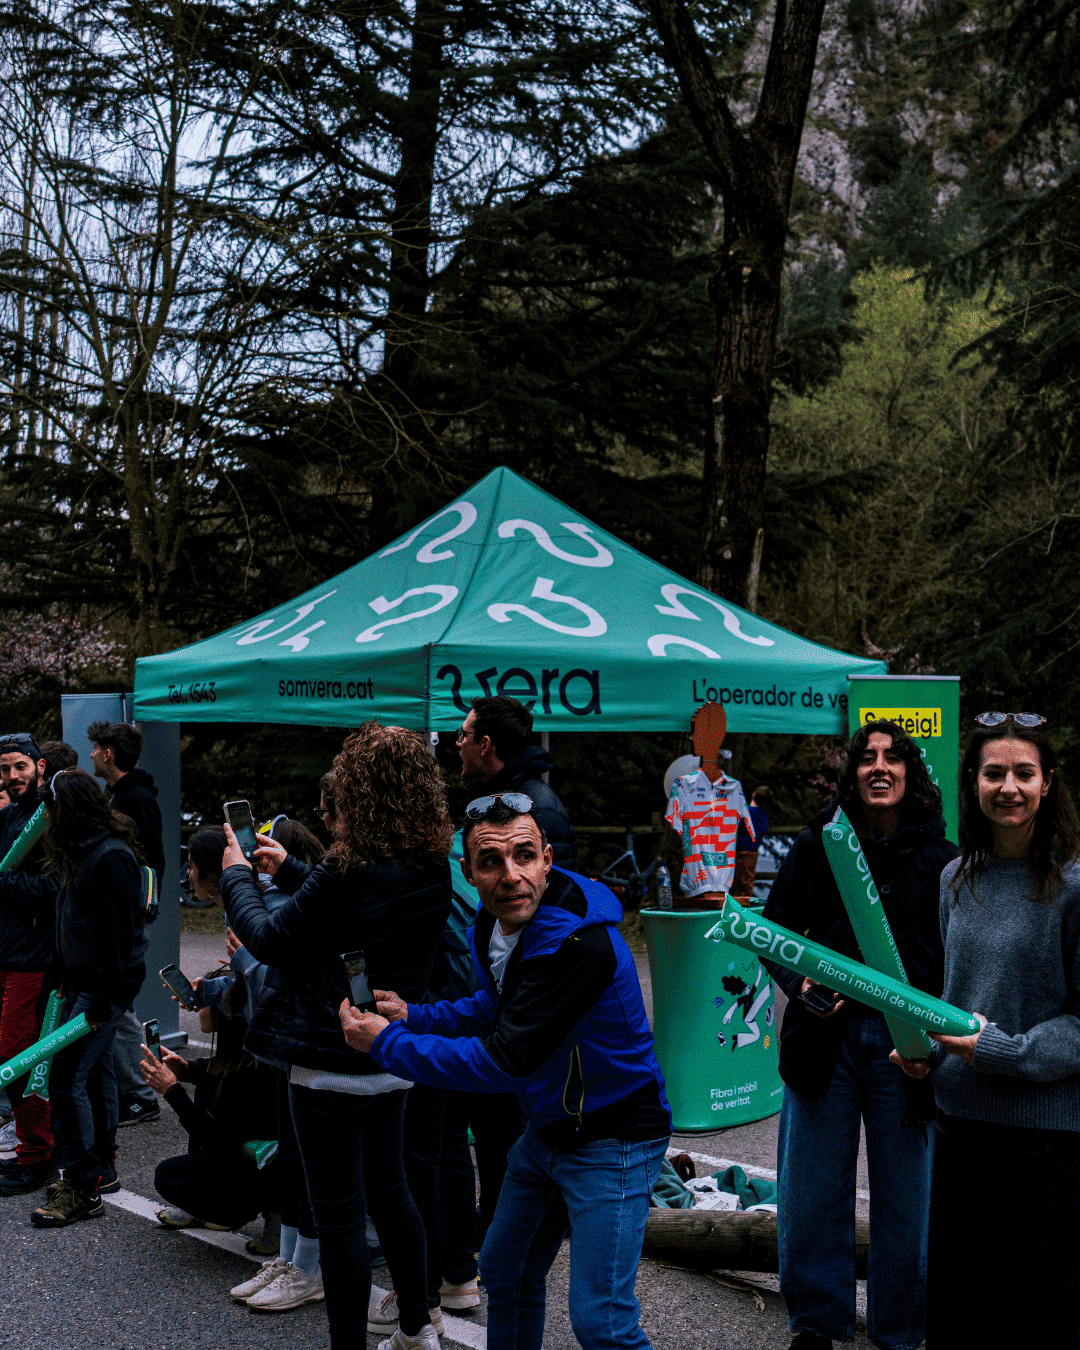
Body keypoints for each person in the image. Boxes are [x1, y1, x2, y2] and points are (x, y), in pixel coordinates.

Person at [341, 793, 671, 1350]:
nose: (511, 875)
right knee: (504, 1269)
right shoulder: (496, 927)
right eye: (491, 862)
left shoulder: (577, 944)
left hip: (613, 1138)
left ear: (547, 859)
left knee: (603, 1322)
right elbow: (497, 1007)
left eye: (524, 855)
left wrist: (388, 1044)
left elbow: (503, 1060)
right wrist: (415, 1015)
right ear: (469, 874)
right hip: (550, 1131)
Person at [219, 724, 453, 1350]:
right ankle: (417, 1328)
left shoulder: (348, 869)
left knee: (341, 1216)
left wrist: (237, 875)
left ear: (358, 791)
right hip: (391, 1050)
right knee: (393, 1192)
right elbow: (357, 912)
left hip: (328, 1060)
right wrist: (293, 868)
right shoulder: (430, 864)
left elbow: (270, 938)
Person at [762, 720, 957, 1350]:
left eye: (892, 757)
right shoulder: (820, 844)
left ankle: (901, 1331)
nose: (879, 767)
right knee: (813, 1196)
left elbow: (958, 961)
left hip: (909, 1050)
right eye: (867, 757)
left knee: (908, 1204)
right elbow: (774, 930)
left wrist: (941, 1041)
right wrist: (800, 984)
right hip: (826, 1042)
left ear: (910, 773)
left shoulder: (944, 860)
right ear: (852, 773)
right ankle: (817, 1326)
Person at [891, 714, 1080, 1348]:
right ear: (973, 782)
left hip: (1046, 1141)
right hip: (961, 1127)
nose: (1009, 787)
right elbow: (956, 995)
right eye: (994, 773)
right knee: (960, 1314)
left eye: (1024, 773)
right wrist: (926, 1053)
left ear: (1048, 782)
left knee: (1035, 1320)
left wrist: (1004, 1051)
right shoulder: (956, 878)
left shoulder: (1075, 884)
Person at [30, 768, 146, 1227]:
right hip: (84, 982)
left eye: (49, 806)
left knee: (65, 1077)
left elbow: (120, 937)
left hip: (104, 987)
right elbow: (72, 917)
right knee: (95, 1073)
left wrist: (100, 1002)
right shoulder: (79, 851)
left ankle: (82, 1188)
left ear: (68, 809)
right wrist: (64, 973)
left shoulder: (111, 857)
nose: (44, 816)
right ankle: (102, 1167)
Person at [141, 971, 282, 1250]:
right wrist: (187, 1070)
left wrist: (172, 1091)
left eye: (206, 1001)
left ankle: (266, 1215)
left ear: (226, 1013)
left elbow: (216, 1141)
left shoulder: (249, 1076)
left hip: (262, 1166)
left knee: (169, 1175)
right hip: (244, 1157)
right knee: (204, 1086)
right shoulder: (247, 1051)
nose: (197, 1008)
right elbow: (219, 1069)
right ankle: (215, 1206)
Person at [88, 720, 165, 1129]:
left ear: (108, 754)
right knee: (119, 1010)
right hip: (120, 915)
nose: (91, 755)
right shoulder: (119, 794)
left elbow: (152, 859)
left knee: (119, 1013)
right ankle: (129, 1092)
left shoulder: (135, 798)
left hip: (126, 919)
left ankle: (139, 1096)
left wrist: (136, 905)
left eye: (96, 748)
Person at [0, 731, 58, 1196]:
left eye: (20, 766)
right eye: (5, 769)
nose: (12, 775)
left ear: (40, 766)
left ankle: (36, 1156)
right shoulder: (10, 816)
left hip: (34, 960)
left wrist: (5, 884)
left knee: (19, 1058)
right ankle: (32, 1149)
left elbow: (57, 890)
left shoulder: (52, 818)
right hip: (6, 955)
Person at [457, 696, 576, 867]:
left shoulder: (538, 807)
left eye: (464, 735)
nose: (458, 743)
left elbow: (556, 879)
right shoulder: (499, 795)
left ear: (485, 745)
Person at [734, 784, 771, 898]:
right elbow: (763, 830)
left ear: (753, 795)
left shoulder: (745, 812)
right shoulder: (762, 815)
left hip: (739, 850)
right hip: (753, 851)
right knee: (747, 881)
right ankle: (745, 901)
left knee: (736, 880)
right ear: (766, 803)